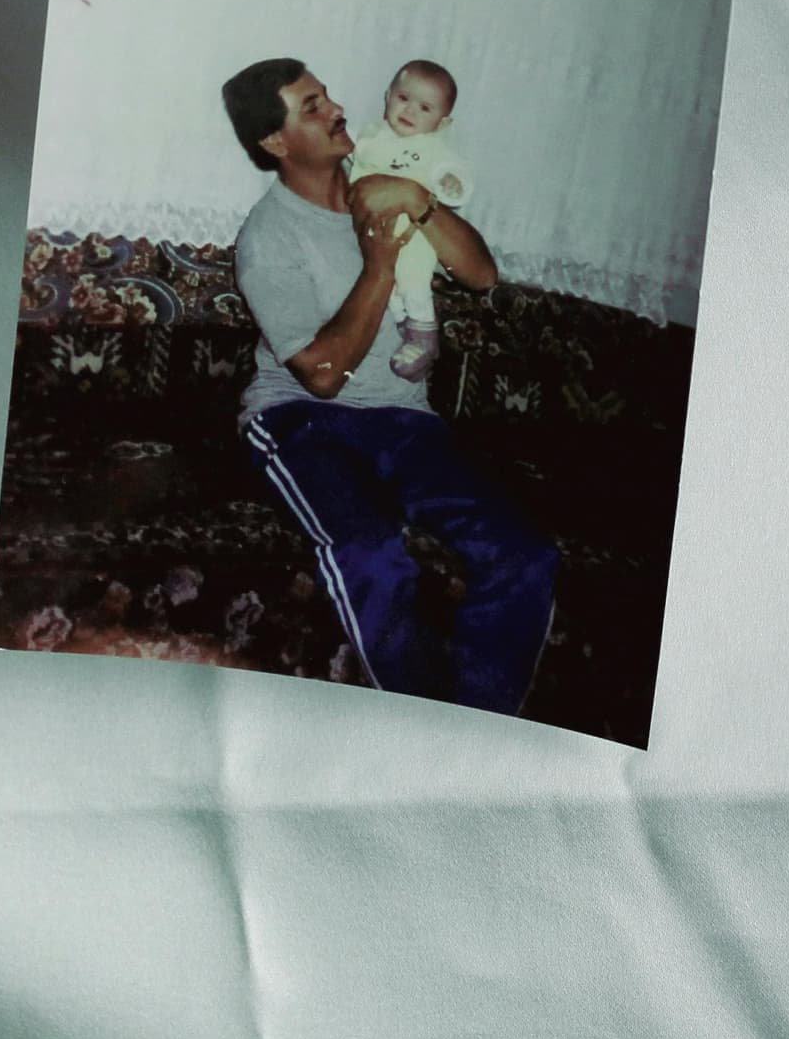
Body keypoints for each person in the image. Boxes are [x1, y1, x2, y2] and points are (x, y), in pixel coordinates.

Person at [223, 58, 556, 712]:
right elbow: (320, 375)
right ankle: (415, 723)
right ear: (276, 142)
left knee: (526, 553)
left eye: (327, 95)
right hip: (300, 420)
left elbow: (483, 276)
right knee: (371, 552)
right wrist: (378, 265)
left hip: (405, 418)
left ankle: (479, 730)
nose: (337, 109)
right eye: (312, 107)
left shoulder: (390, 179)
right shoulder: (267, 237)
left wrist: (419, 202)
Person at [343, 59, 474, 383]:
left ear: (443, 123)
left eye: (425, 108)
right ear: (388, 96)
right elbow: (347, 152)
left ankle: (422, 338)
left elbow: (454, 177)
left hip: (411, 237)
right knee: (376, 279)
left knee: (413, 280)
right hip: (366, 231)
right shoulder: (371, 134)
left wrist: (452, 184)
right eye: (403, 99)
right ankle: (402, 323)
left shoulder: (433, 149)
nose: (410, 111)